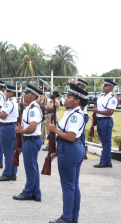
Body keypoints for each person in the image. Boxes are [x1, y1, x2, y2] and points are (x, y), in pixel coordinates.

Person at [48, 83, 88, 223]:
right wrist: (57, 151)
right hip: (70, 148)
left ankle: (67, 218)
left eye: (69, 97)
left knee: (68, 186)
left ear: (77, 101)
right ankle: (73, 217)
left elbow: (70, 136)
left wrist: (54, 130)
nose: (66, 99)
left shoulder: (76, 116)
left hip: (71, 149)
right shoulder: (70, 112)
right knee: (73, 185)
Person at [13, 84, 43, 202]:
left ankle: (28, 192)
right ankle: (36, 192)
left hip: (32, 140)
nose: (24, 95)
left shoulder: (33, 110)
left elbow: (32, 128)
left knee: (30, 167)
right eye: (25, 93)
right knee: (32, 167)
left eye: (27, 94)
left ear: (34, 96)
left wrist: (20, 131)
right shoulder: (29, 108)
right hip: (30, 140)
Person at [0, 84, 18, 181]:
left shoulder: (9, 103)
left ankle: (7, 173)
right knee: (12, 151)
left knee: (8, 152)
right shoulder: (15, 102)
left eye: (7, 92)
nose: (5, 93)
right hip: (11, 126)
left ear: (11, 93)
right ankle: (12, 173)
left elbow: (3, 116)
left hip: (7, 128)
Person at [93, 79, 118, 168]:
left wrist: (97, 111)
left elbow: (110, 112)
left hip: (106, 120)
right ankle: (108, 161)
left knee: (106, 142)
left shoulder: (112, 99)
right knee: (104, 142)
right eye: (104, 85)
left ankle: (104, 161)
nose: (104, 87)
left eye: (106, 85)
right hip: (100, 120)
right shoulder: (101, 97)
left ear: (111, 87)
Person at [75, 79, 89, 159]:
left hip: (83, 115)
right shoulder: (79, 94)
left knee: (80, 136)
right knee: (79, 135)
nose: (78, 86)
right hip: (80, 115)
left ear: (83, 86)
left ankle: (83, 153)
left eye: (79, 85)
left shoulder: (84, 95)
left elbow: (82, 107)